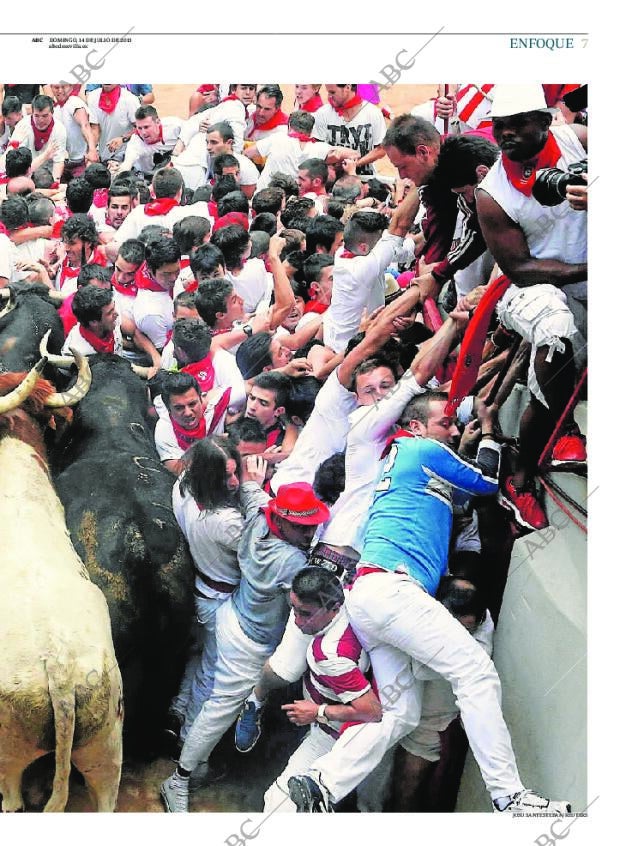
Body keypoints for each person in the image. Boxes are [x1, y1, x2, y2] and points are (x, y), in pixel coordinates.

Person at [286, 392, 570, 816]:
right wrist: (489, 427)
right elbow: (487, 481)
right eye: (445, 424)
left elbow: (462, 496)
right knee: (475, 672)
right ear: (416, 427)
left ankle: (322, 781)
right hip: (392, 591)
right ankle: (510, 798)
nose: (453, 430)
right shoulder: (417, 447)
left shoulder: (411, 464)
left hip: (371, 598)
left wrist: (470, 436)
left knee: (399, 713)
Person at [160, 462, 330, 813]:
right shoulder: (292, 561)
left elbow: (250, 487)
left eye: (312, 526)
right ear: (281, 520)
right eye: (301, 527)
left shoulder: (256, 513)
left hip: (229, 616)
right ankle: (178, 778)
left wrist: (255, 479)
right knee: (219, 712)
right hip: (250, 644)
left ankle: (193, 756)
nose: (308, 534)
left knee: (206, 690)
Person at [476, 84, 587, 530]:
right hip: (530, 287)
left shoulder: (579, 138)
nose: (505, 133)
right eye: (500, 125)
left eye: (517, 123)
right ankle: (522, 474)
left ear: (545, 121)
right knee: (557, 330)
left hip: (585, 277)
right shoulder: (491, 193)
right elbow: (521, 267)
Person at [235, 566, 383, 813]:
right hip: (350, 724)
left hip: (333, 734)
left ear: (334, 608)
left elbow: (372, 712)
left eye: (305, 614)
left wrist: (318, 712)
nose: (296, 620)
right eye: (293, 608)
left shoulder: (330, 656)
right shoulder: (351, 597)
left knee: (278, 804)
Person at [169, 436, 244, 739]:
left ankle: (177, 710)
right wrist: (254, 483)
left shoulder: (183, 487)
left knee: (197, 655)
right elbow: (258, 554)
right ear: (210, 478)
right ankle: (187, 737)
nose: (236, 481)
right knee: (210, 673)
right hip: (221, 600)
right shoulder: (226, 521)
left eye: (236, 471)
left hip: (201, 589)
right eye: (226, 476)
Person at [321, 183, 419, 355]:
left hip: (343, 336)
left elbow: (402, 250)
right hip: (350, 348)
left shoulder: (345, 251)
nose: (382, 245)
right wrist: (421, 185)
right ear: (364, 247)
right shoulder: (364, 267)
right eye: (379, 241)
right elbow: (400, 227)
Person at [154, 372, 227, 474]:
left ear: (201, 399)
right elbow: (177, 471)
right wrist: (210, 445)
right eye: (179, 408)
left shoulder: (215, 404)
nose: (188, 413)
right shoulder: (164, 430)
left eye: (192, 404)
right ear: (168, 409)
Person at [312, 84, 387, 176]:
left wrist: (355, 165)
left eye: (332, 92)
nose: (329, 97)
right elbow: (317, 150)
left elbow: (381, 149)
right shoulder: (322, 114)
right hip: (332, 179)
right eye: (328, 92)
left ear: (347, 88)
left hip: (366, 177)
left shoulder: (373, 113)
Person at [133, 236, 182, 351]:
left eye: (177, 271)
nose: (174, 278)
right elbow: (163, 351)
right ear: (150, 269)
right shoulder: (151, 313)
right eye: (166, 274)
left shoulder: (180, 274)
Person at [9, 93, 68, 183]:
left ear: (52, 113)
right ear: (32, 113)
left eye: (45, 116)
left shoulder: (59, 129)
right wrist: (45, 156)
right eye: (36, 116)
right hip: (25, 173)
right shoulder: (23, 126)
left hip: (47, 174)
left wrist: (55, 183)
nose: (40, 120)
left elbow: (58, 161)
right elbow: (17, 165)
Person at [112, 105, 183, 177]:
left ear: (158, 122)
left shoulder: (175, 126)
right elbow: (127, 164)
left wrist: (181, 143)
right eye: (139, 128)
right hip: (149, 174)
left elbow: (191, 130)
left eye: (146, 127)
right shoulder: (135, 142)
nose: (143, 133)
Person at [49, 83, 98, 180]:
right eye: (56, 87)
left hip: (80, 161)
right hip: (61, 161)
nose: (60, 91)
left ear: (71, 87)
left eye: (63, 87)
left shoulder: (75, 102)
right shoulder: (53, 107)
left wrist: (92, 150)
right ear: (51, 88)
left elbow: (85, 125)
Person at [87, 84, 141, 165]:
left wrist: (122, 139)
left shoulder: (130, 99)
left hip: (126, 158)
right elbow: (95, 129)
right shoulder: (93, 97)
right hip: (104, 157)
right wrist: (92, 150)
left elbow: (141, 129)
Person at [62, 284, 122, 356]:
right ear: (94, 322)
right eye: (109, 313)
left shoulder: (113, 322)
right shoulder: (76, 352)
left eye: (114, 308)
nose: (117, 314)